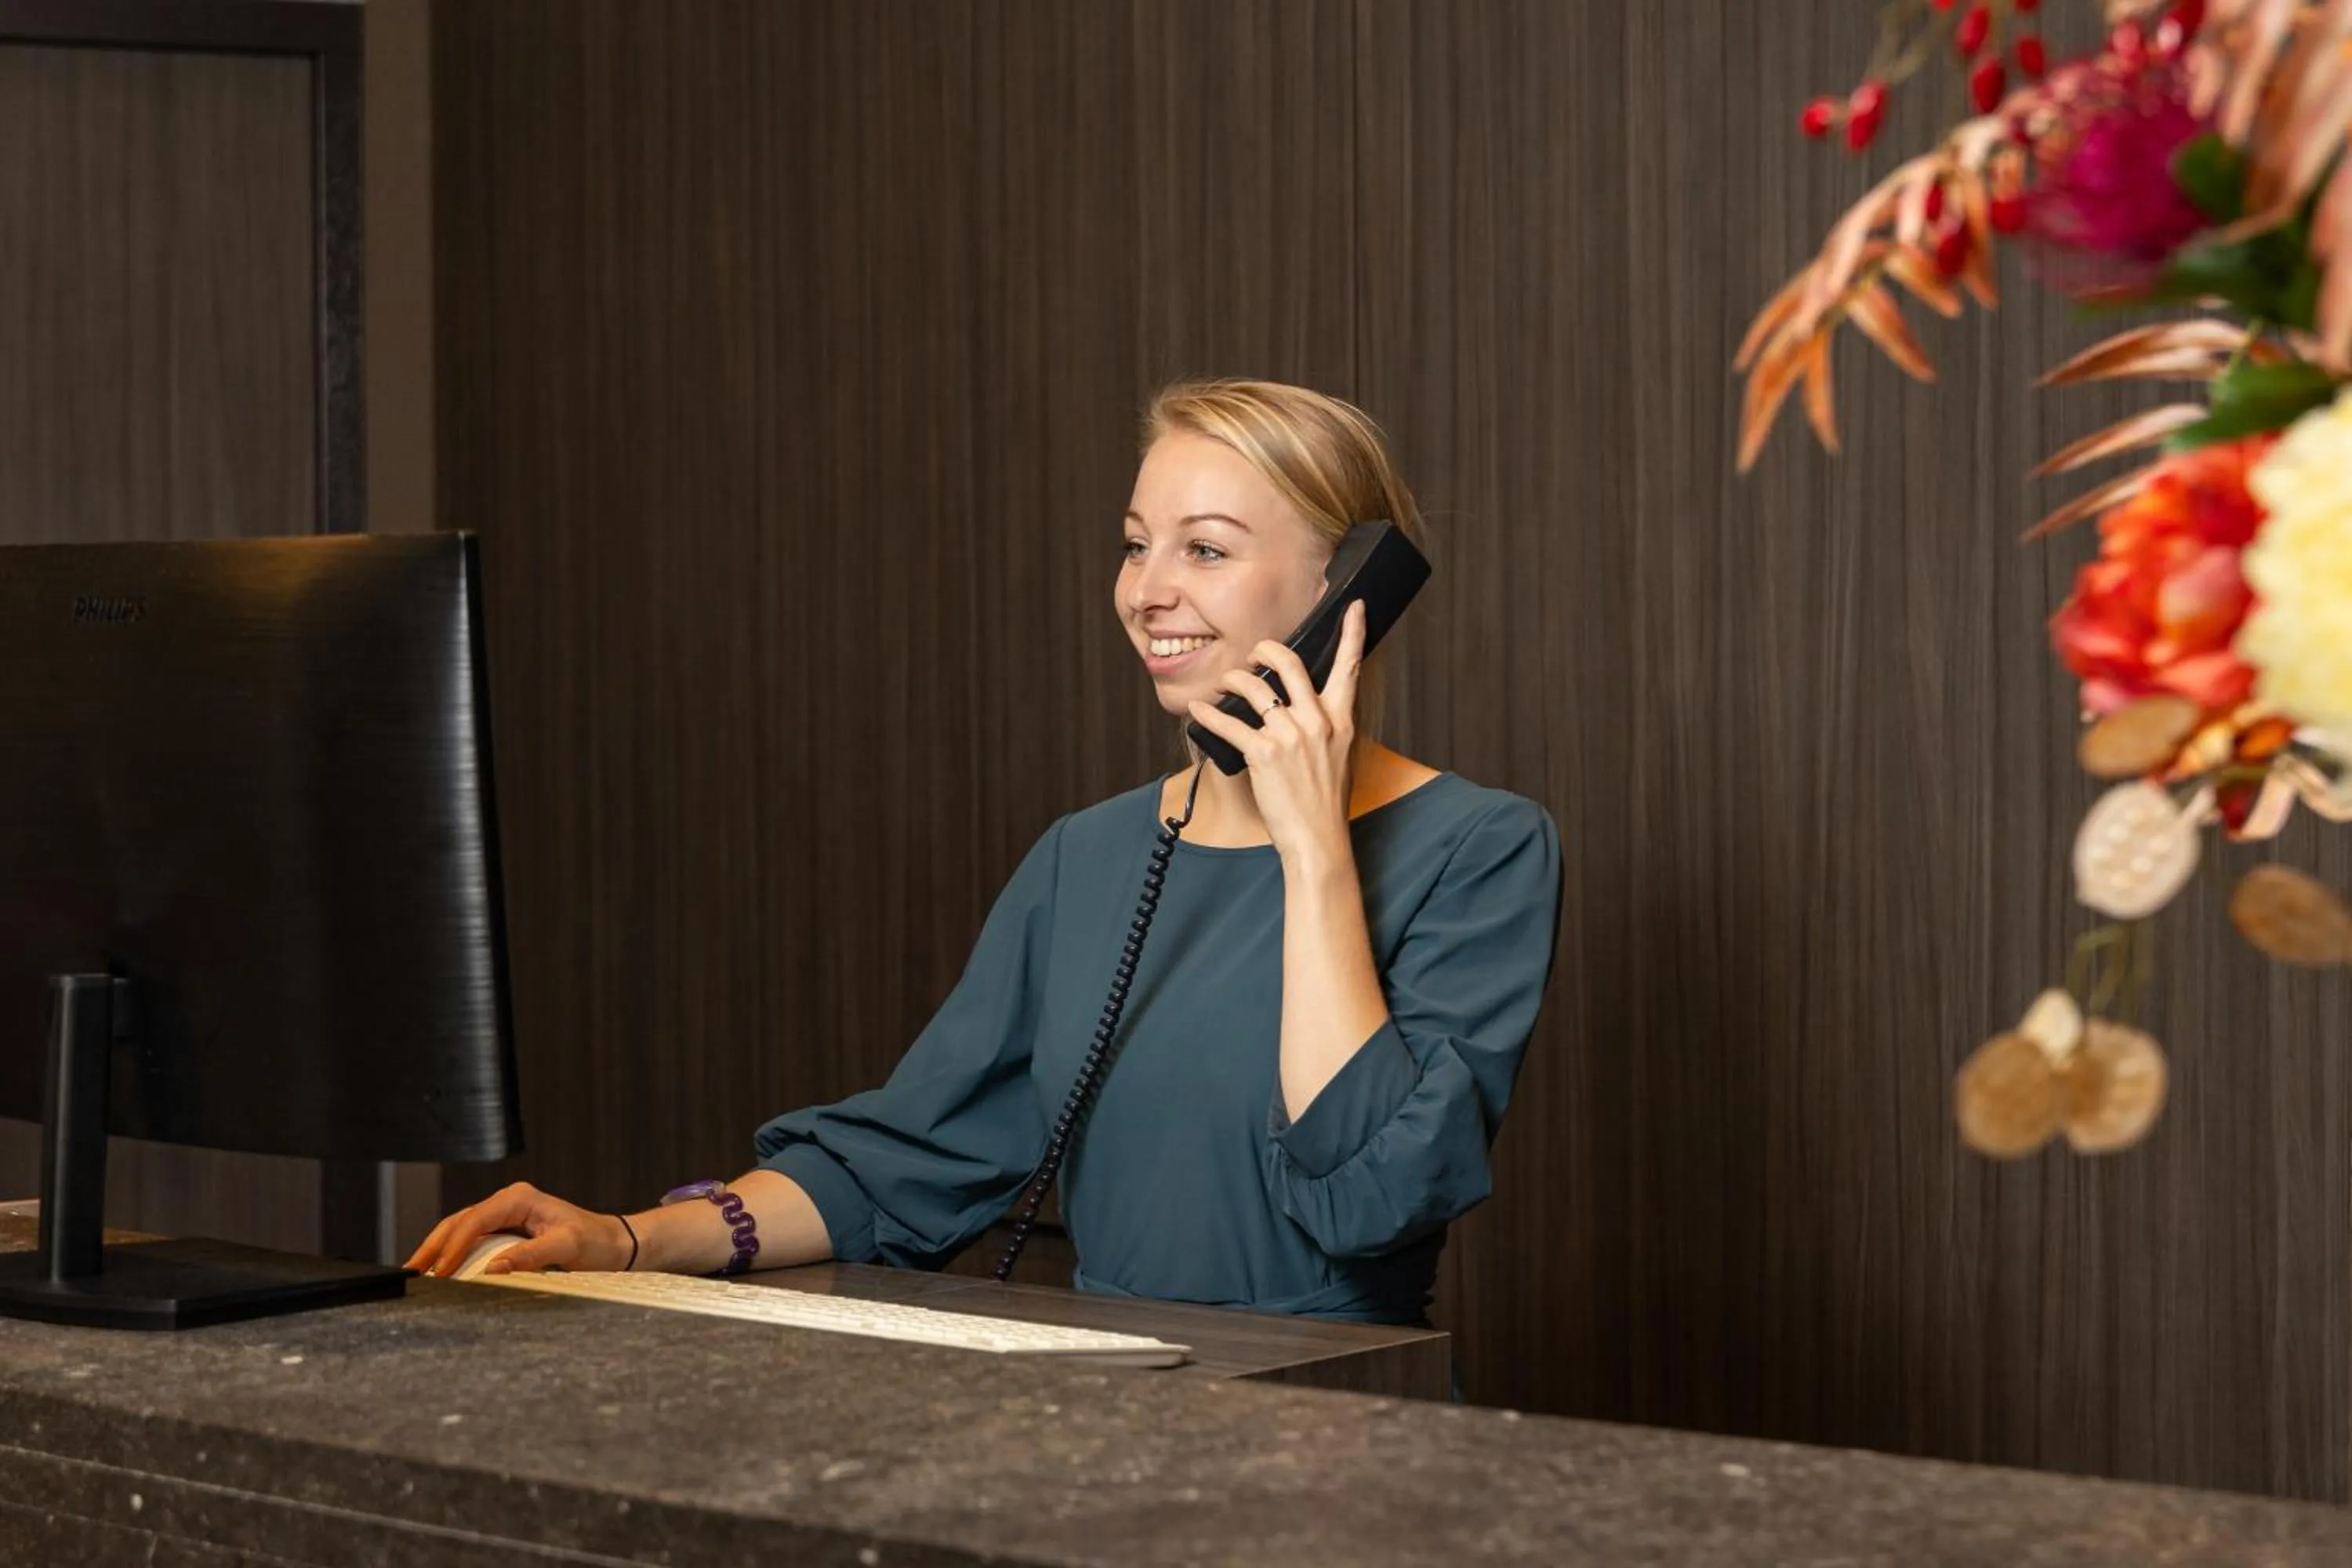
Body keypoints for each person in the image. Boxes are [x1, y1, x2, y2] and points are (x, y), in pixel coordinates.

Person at [409, 379, 1562, 1324]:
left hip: (1340, 1445)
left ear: (1345, 592)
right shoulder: (1088, 858)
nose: (1147, 593)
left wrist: (1311, 851)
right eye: (1134, 545)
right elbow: (907, 1156)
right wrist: (620, 1240)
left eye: (1205, 551)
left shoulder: (1480, 851)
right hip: (1112, 1430)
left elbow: (1369, 1198)